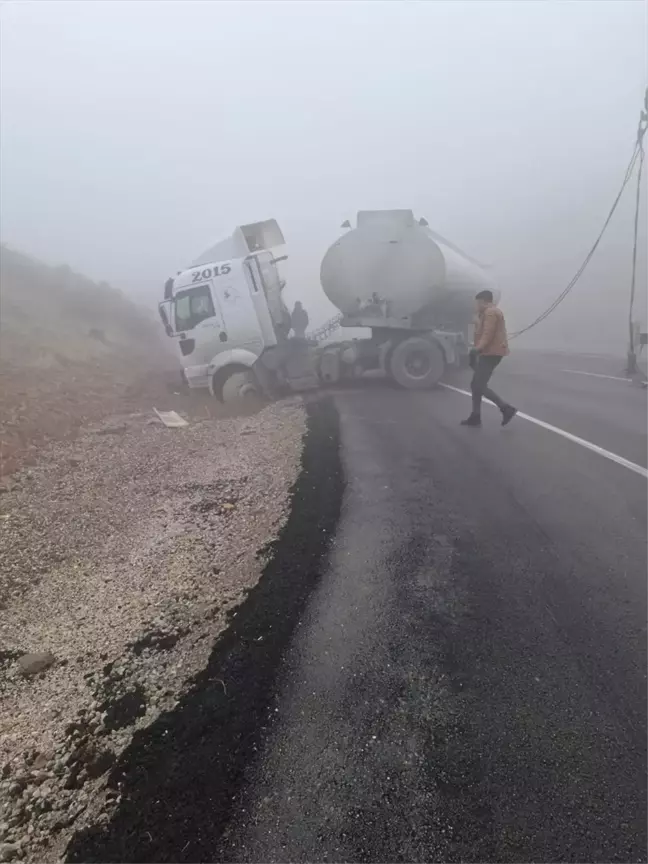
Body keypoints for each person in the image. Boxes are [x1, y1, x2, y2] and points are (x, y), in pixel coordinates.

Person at [461, 289, 517, 427]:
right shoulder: (486, 313)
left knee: (478, 385)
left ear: (483, 301)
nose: (475, 306)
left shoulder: (490, 312)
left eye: (477, 303)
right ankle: (475, 416)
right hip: (489, 352)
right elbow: (482, 331)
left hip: (491, 353)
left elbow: (488, 333)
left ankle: (506, 408)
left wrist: (477, 349)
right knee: (476, 385)